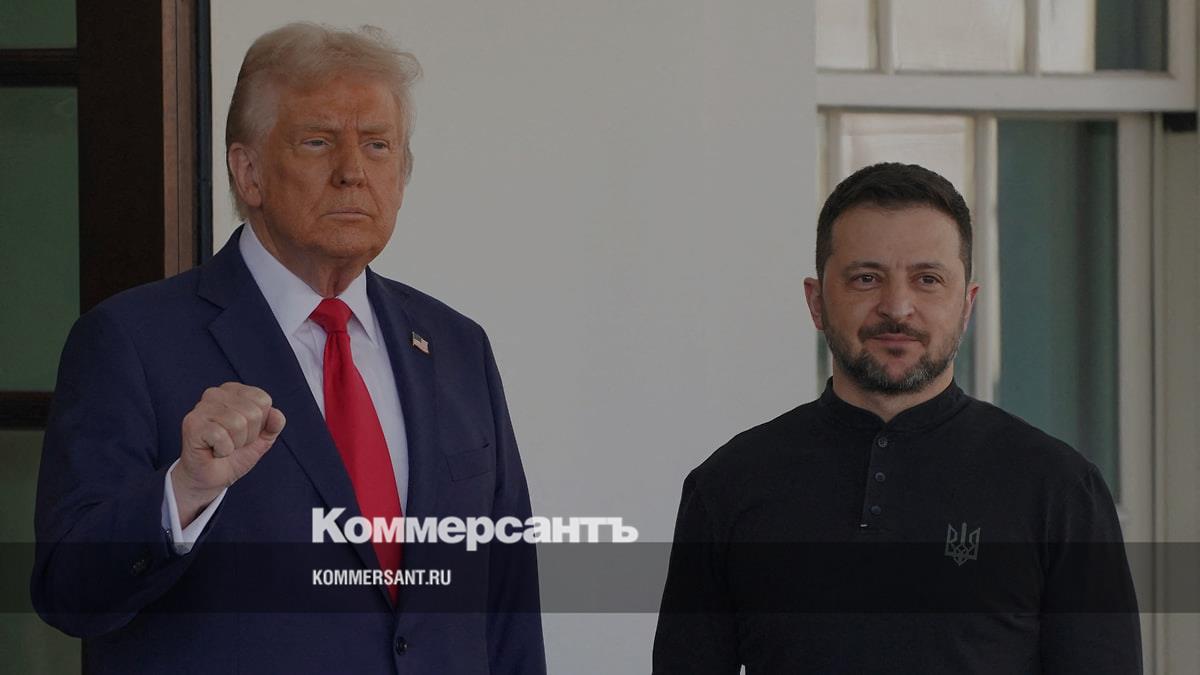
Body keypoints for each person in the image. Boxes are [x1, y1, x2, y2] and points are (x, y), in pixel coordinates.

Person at [32, 23, 545, 674]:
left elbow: (508, 604)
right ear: (248, 173)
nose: (353, 172)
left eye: (378, 145)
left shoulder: (456, 345)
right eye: (318, 141)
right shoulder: (131, 341)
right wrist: (183, 492)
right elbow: (67, 590)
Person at [652, 162, 1141, 673]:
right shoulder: (728, 485)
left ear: (967, 305)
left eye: (928, 280)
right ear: (816, 302)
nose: (897, 307)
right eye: (866, 278)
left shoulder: (1059, 488)